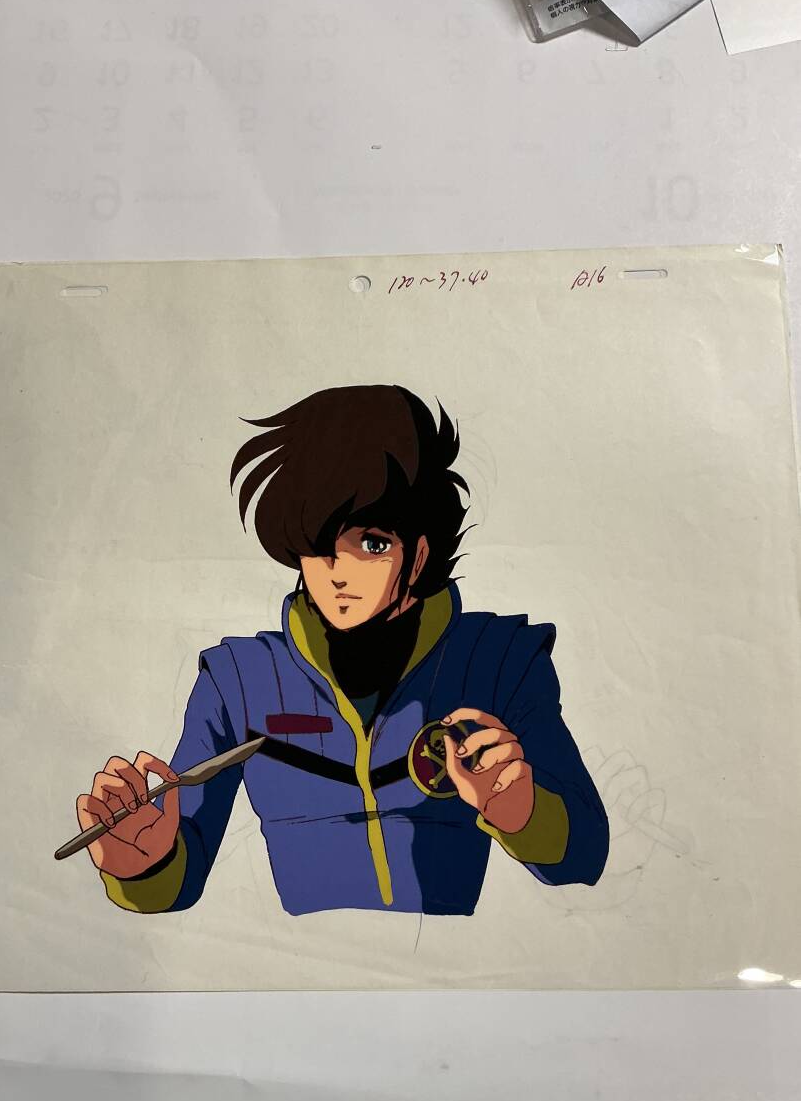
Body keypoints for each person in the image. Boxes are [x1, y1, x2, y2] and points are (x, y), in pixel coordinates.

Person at [75, 385, 609, 915]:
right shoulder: (238, 679)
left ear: (420, 552)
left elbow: (585, 853)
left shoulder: (500, 659)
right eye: (317, 544)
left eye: (372, 544)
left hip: (458, 958)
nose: (337, 573)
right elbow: (182, 865)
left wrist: (522, 813)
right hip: (298, 961)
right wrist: (143, 863)